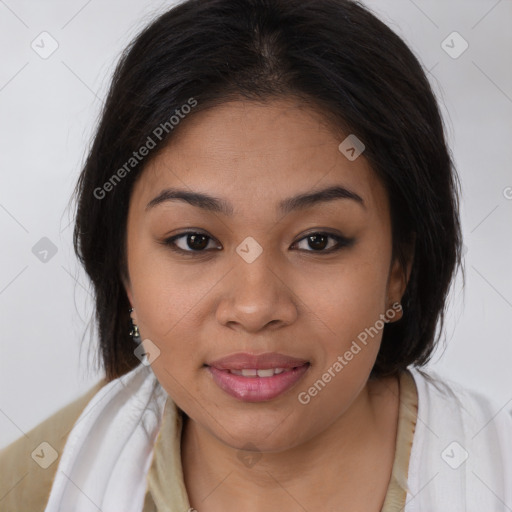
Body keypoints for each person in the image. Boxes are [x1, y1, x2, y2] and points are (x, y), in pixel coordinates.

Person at [1, 0, 511, 510]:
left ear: (399, 268)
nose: (254, 306)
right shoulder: (32, 489)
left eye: (318, 241)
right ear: (123, 268)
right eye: (194, 241)